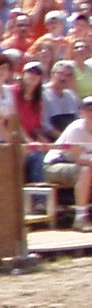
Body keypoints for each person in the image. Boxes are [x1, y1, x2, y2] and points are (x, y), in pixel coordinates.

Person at [44, 96, 92, 231]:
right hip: (54, 166)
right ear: (81, 112)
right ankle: (80, 219)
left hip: (80, 166)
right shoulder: (76, 128)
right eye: (88, 110)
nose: (91, 113)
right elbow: (77, 159)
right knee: (86, 170)